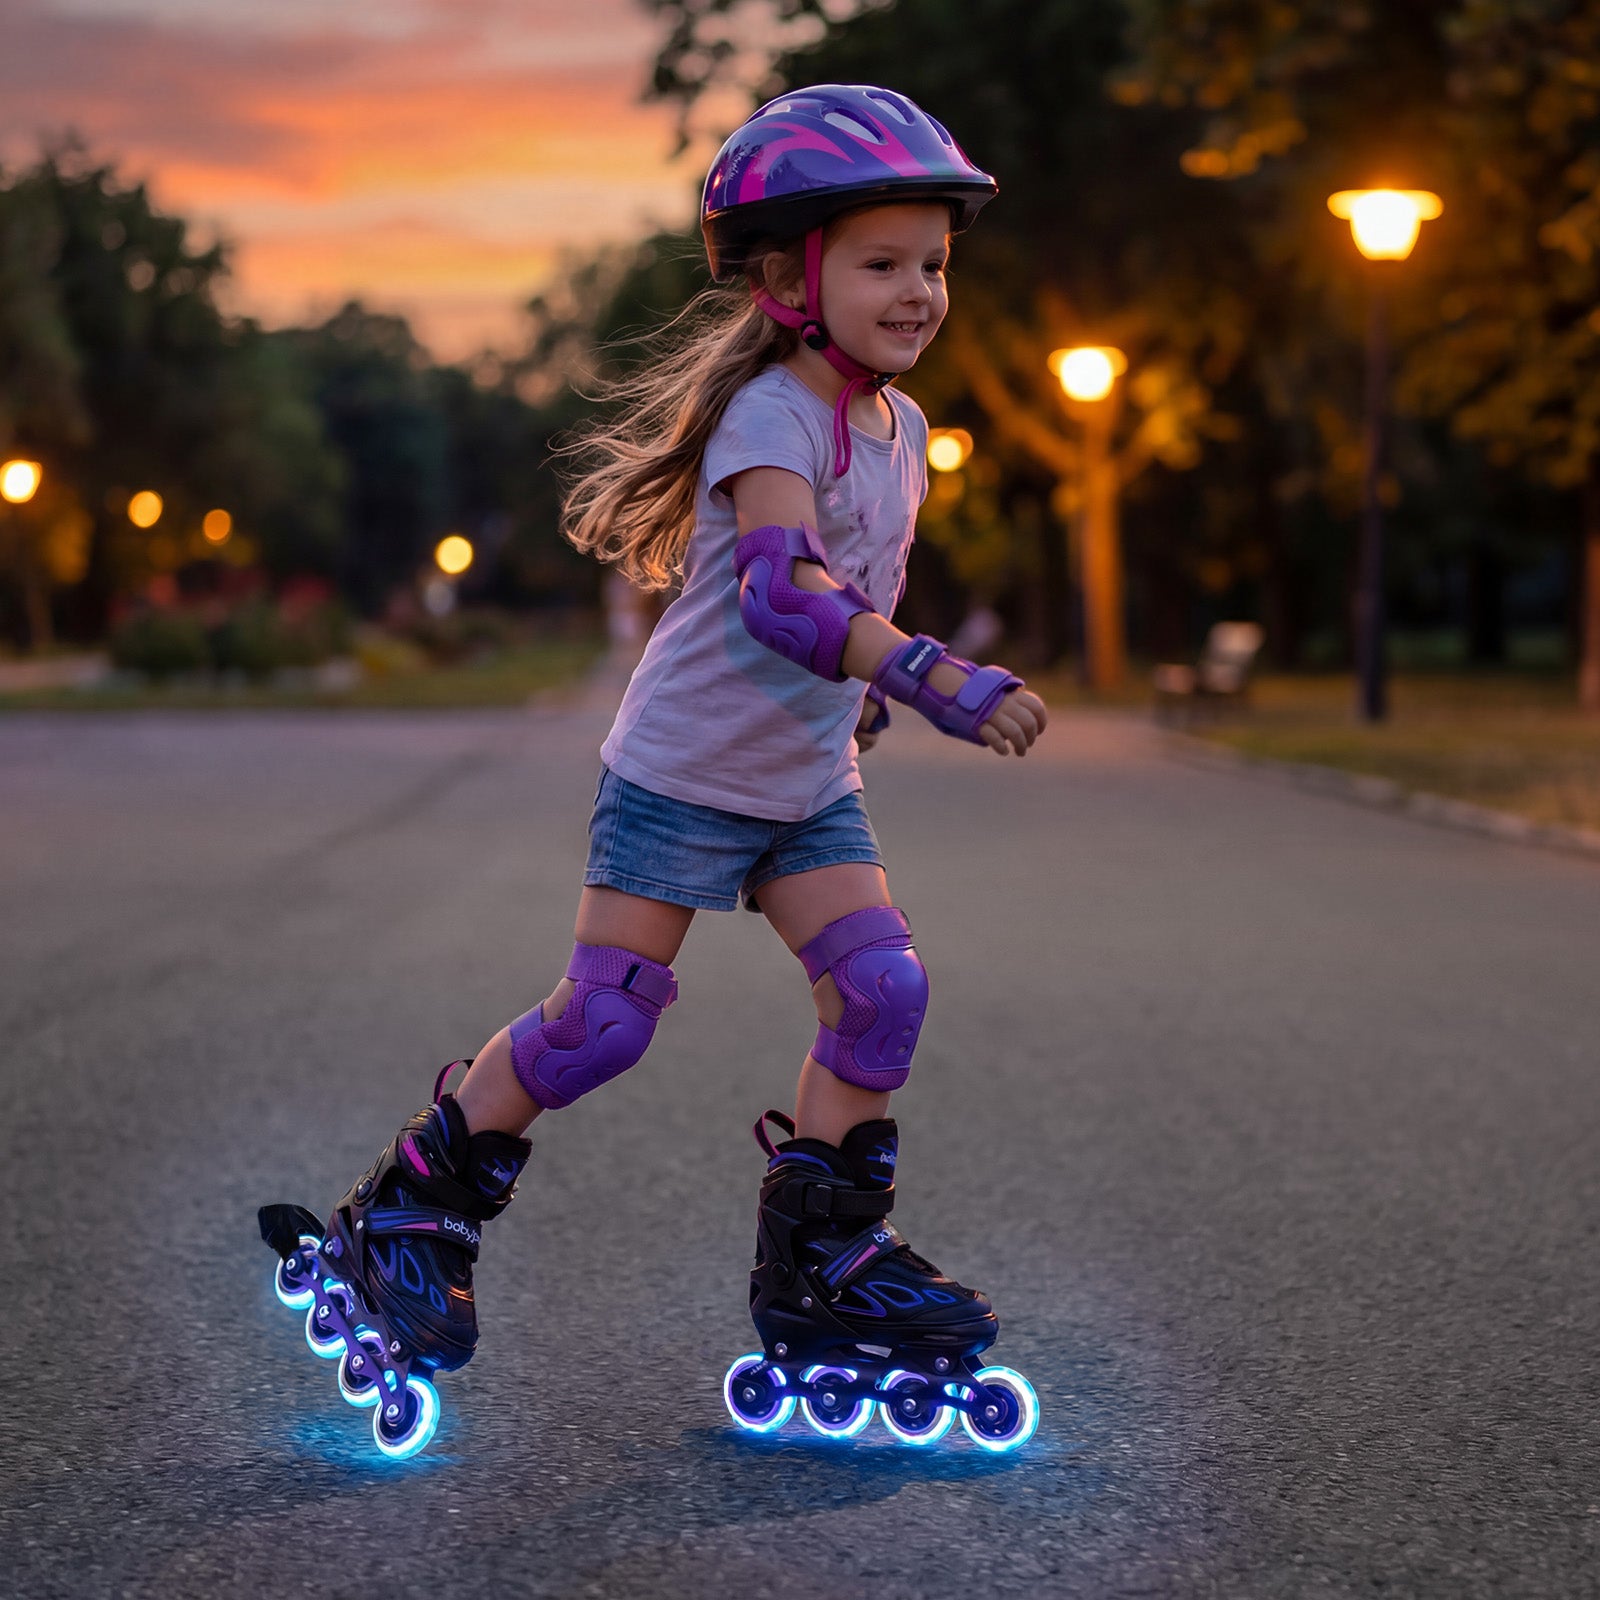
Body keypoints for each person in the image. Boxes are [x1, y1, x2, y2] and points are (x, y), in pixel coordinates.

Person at [261, 83, 1047, 1457]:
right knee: (605, 1022)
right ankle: (410, 1207)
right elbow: (788, 596)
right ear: (787, 279)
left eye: (934, 263)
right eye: (882, 263)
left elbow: (854, 582)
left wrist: (850, 722)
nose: (919, 290)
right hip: (684, 775)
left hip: (802, 784)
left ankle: (825, 1267)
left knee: (881, 992)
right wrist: (921, 676)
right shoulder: (771, 415)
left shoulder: (903, 430)